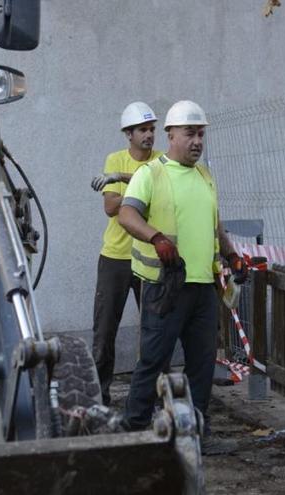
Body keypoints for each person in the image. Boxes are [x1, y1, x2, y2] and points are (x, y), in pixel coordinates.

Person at [117, 100, 247, 432]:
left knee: (202, 366)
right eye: (190, 134)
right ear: (171, 135)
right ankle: (133, 430)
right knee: (153, 361)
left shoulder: (205, 175)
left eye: (201, 135)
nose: (197, 142)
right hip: (165, 286)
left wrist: (231, 255)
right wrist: (156, 237)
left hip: (203, 287)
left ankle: (195, 433)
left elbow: (214, 224)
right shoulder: (151, 174)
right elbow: (127, 214)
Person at [89, 102, 163, 406]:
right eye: (143, 130)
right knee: (104, 331)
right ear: (128, 134)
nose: (149, 135)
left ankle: (151, 397)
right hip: (116, 257)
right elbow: (110, 208)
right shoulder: (114, 156)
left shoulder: (162, 161)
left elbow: (160, 190)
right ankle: (99, 398)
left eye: (152, 130)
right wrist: (143, 196)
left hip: (149, 255)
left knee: (155, 330)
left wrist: (120, 178)